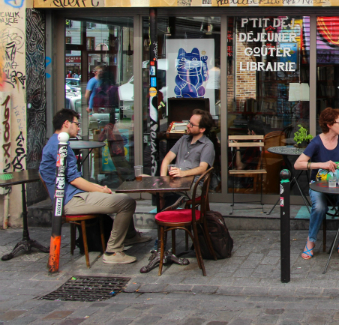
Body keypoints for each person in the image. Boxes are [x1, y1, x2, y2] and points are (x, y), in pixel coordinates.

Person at [39, 109, 150, 264]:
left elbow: (47, 174)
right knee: (126, 202)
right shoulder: (61, 146)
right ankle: (113, 251)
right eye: (76, 124)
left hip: (70, 197)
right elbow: (75, 180)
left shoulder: (52, 143)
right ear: (66, 124)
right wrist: (100, 189)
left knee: (117, 196)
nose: (79, 128)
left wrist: (99, 189)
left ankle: (130, 236)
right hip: (71, 200)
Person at [140, 109, 216, 273]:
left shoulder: (207, 145)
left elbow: (203, 168)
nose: (187, 126)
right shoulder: (183, 139)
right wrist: (162, 178)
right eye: (188, 122)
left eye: (192, 124)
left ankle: (160, 245)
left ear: (202, 129)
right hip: (175, 184)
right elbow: (167, 158)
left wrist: (182, 173)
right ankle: (162, 245)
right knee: (162, 194)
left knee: (164, 199)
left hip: (193, 188)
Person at [294, 108, 339, 260]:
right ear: (329, 124)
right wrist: (320, 164)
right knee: (319, 207)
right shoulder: (316, 142)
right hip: (319, 185)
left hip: (337, 184)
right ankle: (311, 241)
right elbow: (298, 164)